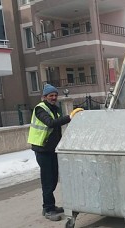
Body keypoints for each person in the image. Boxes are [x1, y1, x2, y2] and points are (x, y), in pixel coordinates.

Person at [27, 84, 83, 221]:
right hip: (42, 149)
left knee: (53, 178)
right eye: (50, 95)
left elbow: (57, 128)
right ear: (44, 97)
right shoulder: (40, 109)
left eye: (55, 95)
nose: (53, 97)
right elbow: (51, 123)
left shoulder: (55, 109)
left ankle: (50, 206)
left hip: (52, 149)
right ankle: (48, 209)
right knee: (47, 179)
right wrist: (70, 117)